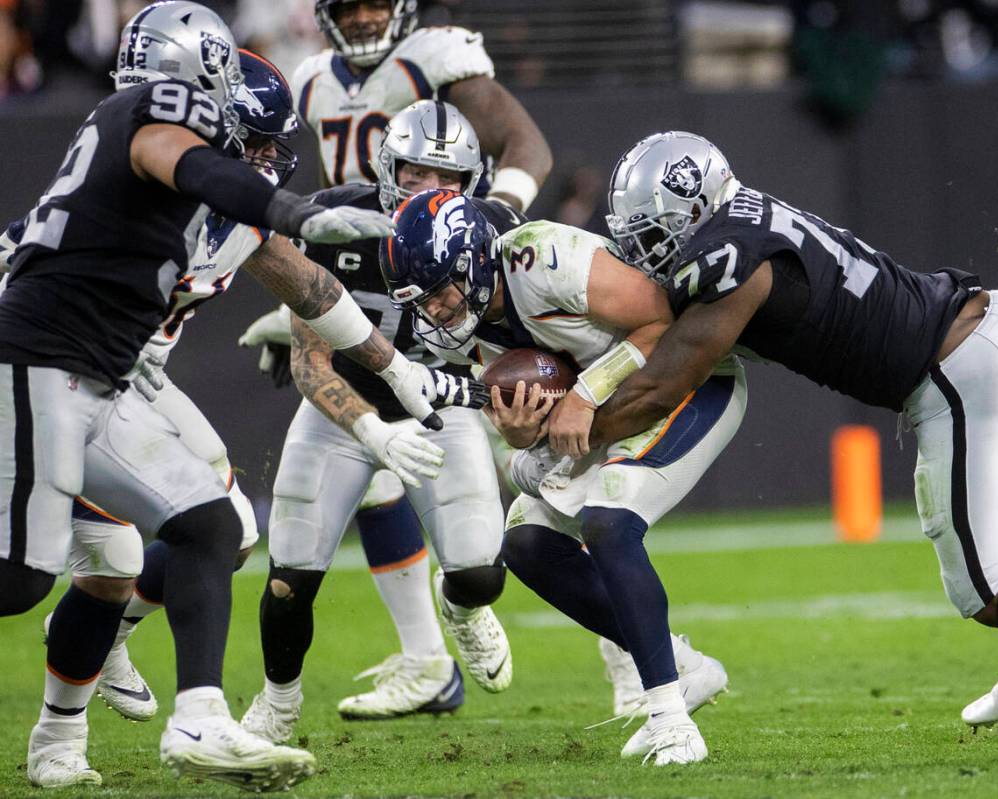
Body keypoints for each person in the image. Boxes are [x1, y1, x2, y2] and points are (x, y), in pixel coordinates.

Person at [0, 2, 463, 791]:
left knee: (210, 523)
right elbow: (195, 165)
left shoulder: (202, 184)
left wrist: (395, 371)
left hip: (104, 377)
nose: (261, 158)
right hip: (40, 359)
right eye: (250, 141)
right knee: (21, 579)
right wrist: (285, 205)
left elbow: (309, 286)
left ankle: (193, 719)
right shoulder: (148, 117)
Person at [579, 131, 998, 736]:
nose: (644, 254)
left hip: (959, 365)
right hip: (956, 355)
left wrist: (570, 429)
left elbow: (660, 390)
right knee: (982, 584)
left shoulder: (732, 260)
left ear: (693, 210)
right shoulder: (741, 223)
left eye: (650, 236)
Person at [382, 189, 738, 766]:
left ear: (473, 258)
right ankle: (683, 669)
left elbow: (663, 322)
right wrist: (525, 434)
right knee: (526, 544)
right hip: (608, 415)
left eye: (441, 291)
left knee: (609, 522)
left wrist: (587, 392)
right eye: (421, 302)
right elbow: (535, 415)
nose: (437, 311)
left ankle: (672, 720)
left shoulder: (542, 257)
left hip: (688, 383)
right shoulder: (458, 326)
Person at [239, 101, 512, 742]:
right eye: (413, 173)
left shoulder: (493, 229)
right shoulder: (339, 221)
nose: (426, 190)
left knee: (478, 573)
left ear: (471, 186)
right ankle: (278, 704)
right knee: (288, 579)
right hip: (346, 412)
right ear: (388, 168)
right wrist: (371, 429)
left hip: (440, 408)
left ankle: (459, 608)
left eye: (443, 179)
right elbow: (310, 363)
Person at [295, 0, 551, 209]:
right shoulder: (314, 78)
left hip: (441, 237)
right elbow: (335, 174)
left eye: (376, 5)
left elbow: (528, 145)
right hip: (362, 244)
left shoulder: (433, 56)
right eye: (348, 8)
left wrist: (498, 212)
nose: (362, 18)